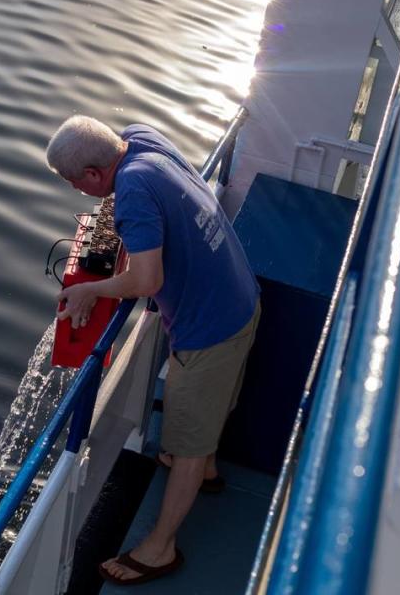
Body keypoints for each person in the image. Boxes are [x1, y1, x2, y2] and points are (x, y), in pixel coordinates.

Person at [45, 115, 261, 586]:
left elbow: (147, 281)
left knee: (184, 439)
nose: (77, 191)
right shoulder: (140, 139)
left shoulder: (135, 194)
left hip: (209, 330)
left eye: (73, 182)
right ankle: (203, 466)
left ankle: (162, 546)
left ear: (94, 175)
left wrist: (91, 290)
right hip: (242, 295)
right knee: (212, 407)